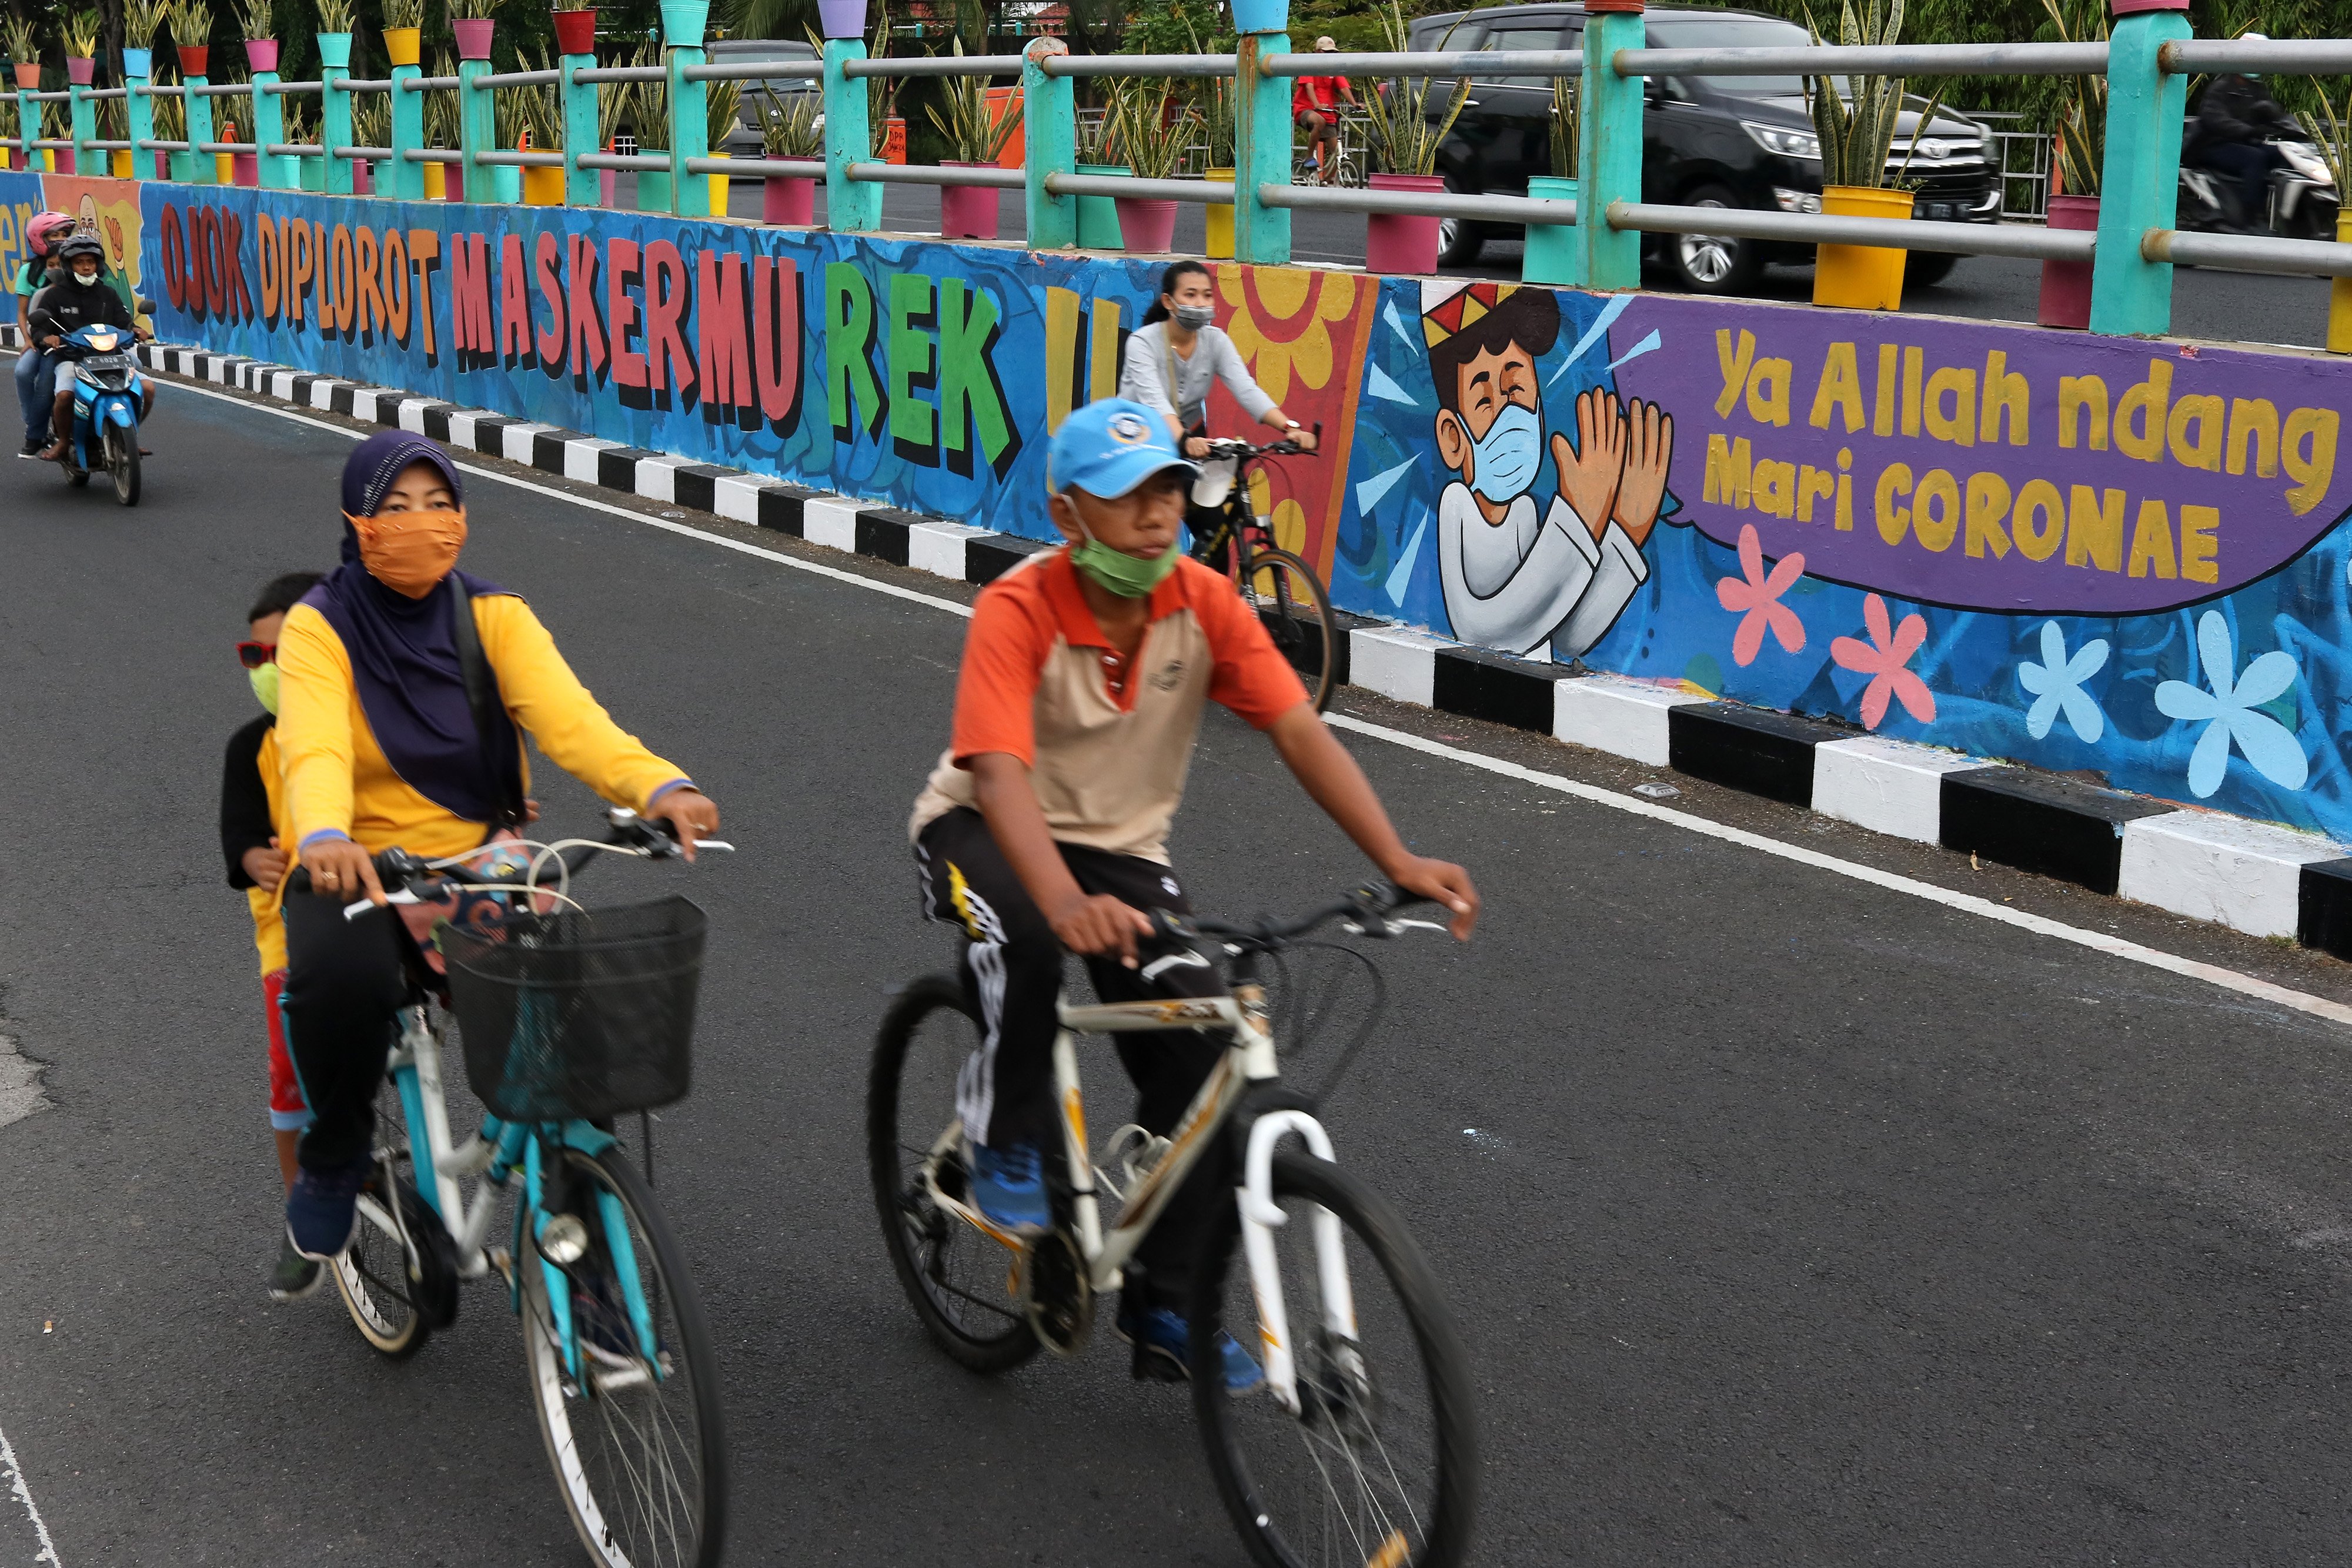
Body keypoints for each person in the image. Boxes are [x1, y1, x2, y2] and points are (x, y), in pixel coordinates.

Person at [906, 398, 1478, 1385]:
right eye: (1129, 497)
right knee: (1034, 941)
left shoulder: (1206, 603)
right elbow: (997, 772)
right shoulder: (1022, 606)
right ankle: (1003, 1139)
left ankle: (1165, 1303)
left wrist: (1396, 859)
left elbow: (1299, 729)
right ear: (1067, 513)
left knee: (1203, 1060)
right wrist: (1061, 898)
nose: (1159, 514)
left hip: (1122, 849)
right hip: (984, 827)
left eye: (1170, 489)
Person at [273, 430, 722, 1263]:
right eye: (396, 506)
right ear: (358, 521)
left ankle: (589, 1260)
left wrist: (659, 786)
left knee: (567, 1031)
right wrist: (328, 835)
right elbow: (314, 749)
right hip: (361, 866)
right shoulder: (319, 627)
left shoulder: (494, 617)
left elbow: (575, 721)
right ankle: (335, 1158)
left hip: (482, 856)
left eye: (439, 503)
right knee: (341, 979)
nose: (422, 523)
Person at [219, 570, 328, 1300]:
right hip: (292, 932)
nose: (269, 673)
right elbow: (238, 834)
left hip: (398, 906)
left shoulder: (381, 720)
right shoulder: (250, 748)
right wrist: (251, 855)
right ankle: (303, 1214)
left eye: (284, 655)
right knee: (290, 1070)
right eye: (256, 659)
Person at [1118, 259, 1317, 462]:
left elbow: (1246, 390)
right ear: (1168, 302)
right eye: (1190, 295)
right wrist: (1184, 440)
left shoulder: (1216, 340)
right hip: (1135, 436)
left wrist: (1290, 428)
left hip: (1191, 436)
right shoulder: (1142, 342)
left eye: (1207, 295)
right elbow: (1154, 401)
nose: (1201, 303)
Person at [31, 233, 152, 463]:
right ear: (68, 266)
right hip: (73, 358)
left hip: (112, 356)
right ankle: (64, 442)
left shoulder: (108, 293)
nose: (87, 267)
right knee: (65, 396)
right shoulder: (54, 296)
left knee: (148, 389)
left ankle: (129, 436)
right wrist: (48, 339)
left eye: (91, 262)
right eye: (80, 262)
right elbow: (39, 329)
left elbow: (125, 322)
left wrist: (136, 330)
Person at [2184, 49, 2301, 233]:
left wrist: (2294, 126)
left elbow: (2272, 112)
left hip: (2243, 142)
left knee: (2282, 154)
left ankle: (2287, 218)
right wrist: (2246, 130)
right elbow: (2213, 117)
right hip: (2213, 145)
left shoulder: (2257, 89)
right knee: (2255, 159)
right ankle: (2251, 218)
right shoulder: (2221, 87)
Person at [14, 210, 74, 456]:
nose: (60, 239)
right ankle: (34, 426)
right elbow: (23, 312)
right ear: (39, 238)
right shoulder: (29, 272)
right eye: (53, 235)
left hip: (74, 337)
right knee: (23, 371)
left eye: (64, 234)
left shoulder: (78, 267)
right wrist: (29, 341)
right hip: (42, 338)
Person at [1292, 36, 1356, 185]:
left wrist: (1355, 104)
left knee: (1336, 153)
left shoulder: (1333, 69)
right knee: (1319, 121)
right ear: (1317, 51)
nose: (1330, 55)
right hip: (1306, 110)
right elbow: (1308, 86)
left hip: (1328, 112)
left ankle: (1326, 181)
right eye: (1326, 52)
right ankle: (1309, 157)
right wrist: (1316, 104)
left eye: (1332, 52)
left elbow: (1344, 87)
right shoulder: (1310, 65)